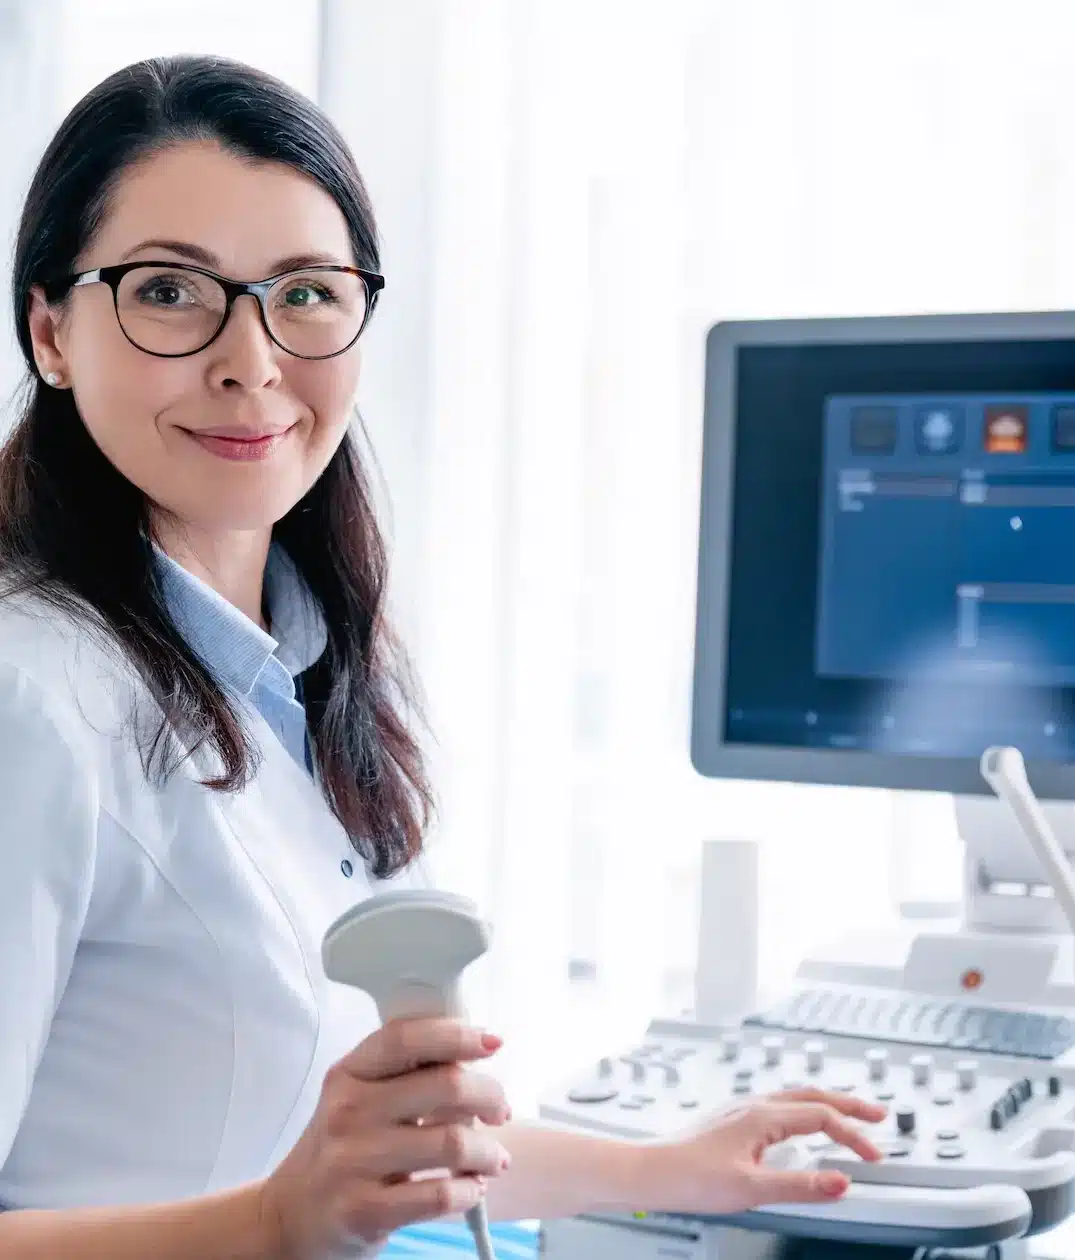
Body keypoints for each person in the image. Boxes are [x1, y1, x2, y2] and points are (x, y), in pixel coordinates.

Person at [0, 55, 884, 1260]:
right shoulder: (31, 695)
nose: (250, 360)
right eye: (169, 292)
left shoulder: (295, 661)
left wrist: (666, 1168)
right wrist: (273, 1225)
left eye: (305, 293)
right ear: (50, 330)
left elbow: (364, 1163)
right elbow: (294, 1200)